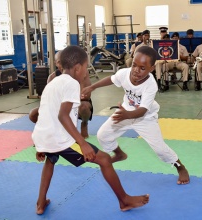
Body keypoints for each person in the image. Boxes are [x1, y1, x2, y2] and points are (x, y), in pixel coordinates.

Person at [32, 45, 149, 215]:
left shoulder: (53, 82)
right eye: (86, 67)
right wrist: (82, 144)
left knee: (50, 161)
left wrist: (40, 145)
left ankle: (40, 203)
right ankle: (124, 200)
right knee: (105, 160)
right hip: (60, 140)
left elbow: (44, 113)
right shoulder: (72, 83)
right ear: (78, 67)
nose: (86, 72)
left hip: (45, 137)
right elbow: (63, 116)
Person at [82, 46, 190, 185]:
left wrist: (127, 115)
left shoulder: (150, 85)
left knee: (160, 149)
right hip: (125, 112)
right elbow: (112, 79)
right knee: (103, 135)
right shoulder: (124, 74)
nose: (136, 70)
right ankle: (119, 154)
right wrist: (93, 87)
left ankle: (180, 167)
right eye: (134, 65)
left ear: (151, 69)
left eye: (142, 68)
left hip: (145, 118)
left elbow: (143, 110)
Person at [29, 51, 93, 138]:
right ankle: (48, 131)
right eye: (59, 62)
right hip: (60, 105)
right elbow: (48, 99)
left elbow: (86, 95)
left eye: (63, 61)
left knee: (84, 107)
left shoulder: (80, 74)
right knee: (33, 114)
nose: (61, 64)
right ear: (56, 63)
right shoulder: (52, 77)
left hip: (78, 103)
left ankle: (84, 124)